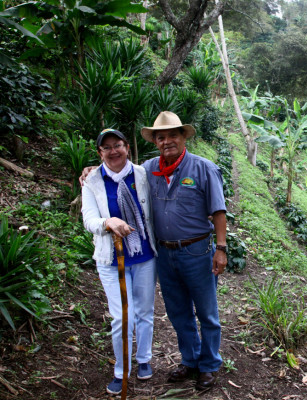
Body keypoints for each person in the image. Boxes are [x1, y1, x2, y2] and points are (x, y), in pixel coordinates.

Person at [140, 111, 228, 390]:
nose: (167, 141)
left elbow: (218, 211)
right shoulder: (148, 170)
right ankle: (190, 361)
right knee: (178, 312)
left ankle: (209, 364)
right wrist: (92, 170)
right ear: (155, 141)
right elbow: (119, 176)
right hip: (164, 255)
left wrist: (222, 248)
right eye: (161, 137)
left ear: (183, 137)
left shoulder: (204, 168)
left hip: (198, 252)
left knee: (206, 312)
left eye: (172, 135)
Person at [81, 129, 158, 395]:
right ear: (99, 153)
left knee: (144, 312)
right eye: (107, 148)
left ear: (127, 147)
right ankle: (121, 370)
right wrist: (107, 222)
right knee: (122, 318)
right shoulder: (91, 181)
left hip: (144, 255)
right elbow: (89, 219)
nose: (113, 151)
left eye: (118, 145)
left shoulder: (142, 174)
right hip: (111, 260)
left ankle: (144, 359)